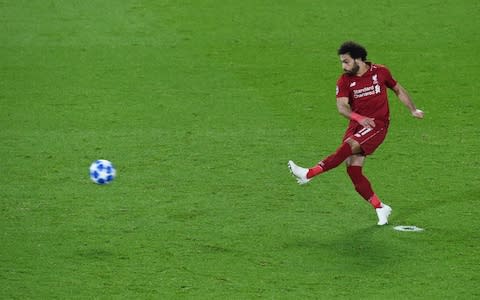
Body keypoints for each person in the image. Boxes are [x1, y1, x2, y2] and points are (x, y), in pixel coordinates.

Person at [288, 41, 424, 225]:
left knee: (349, 146)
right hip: (358, 125)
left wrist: (413, 110)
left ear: (358, 59)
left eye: (346, 61)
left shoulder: (380, 71)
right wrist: (358, 118)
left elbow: (398, 89)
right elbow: (341, 107)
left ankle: (309, 173)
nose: (343, 66)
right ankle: (380, 207)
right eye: (342, 62)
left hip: (378, 125)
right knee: (353, 170)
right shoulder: (344, 80)